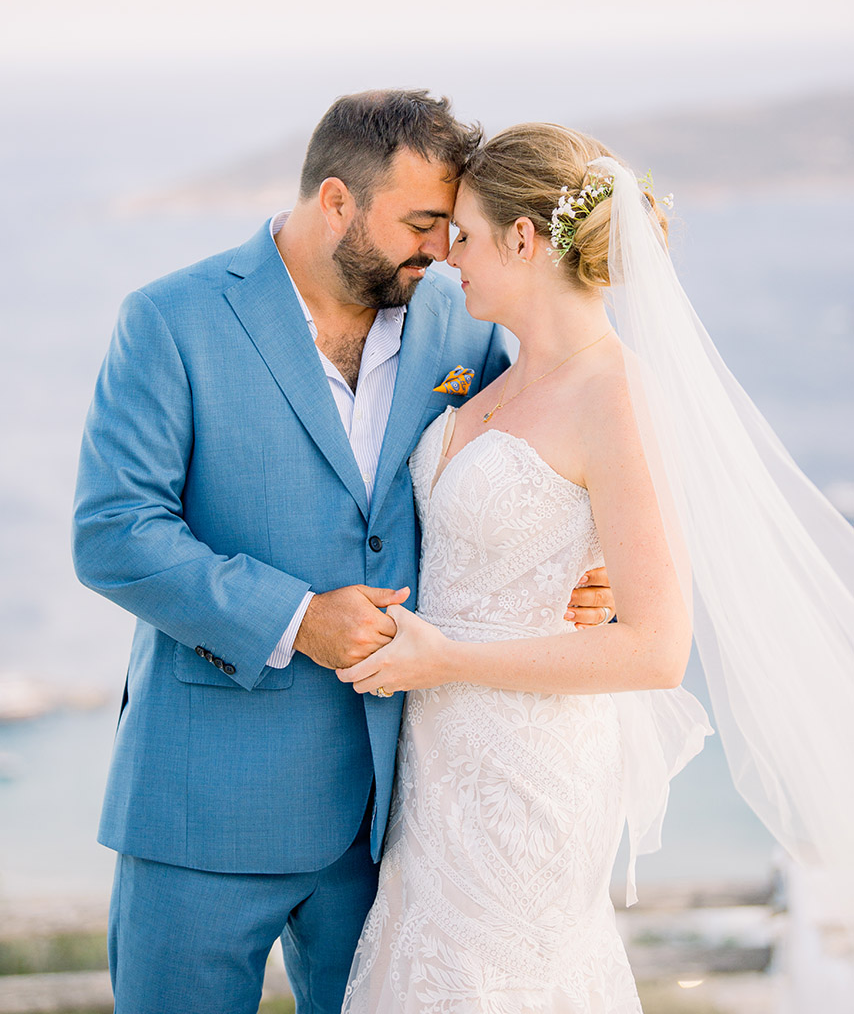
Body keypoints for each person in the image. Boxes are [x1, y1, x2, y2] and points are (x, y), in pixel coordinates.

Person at [72, 93, 615, 1014]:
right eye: (420, 223)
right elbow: (115, 530)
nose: (442, 249)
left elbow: (530, 467)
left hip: (396, 821)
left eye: (453, 226)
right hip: (205, 805)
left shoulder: (465, 330)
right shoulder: (172, 320)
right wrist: (296, 618)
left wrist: (580, 572)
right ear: (336, 201)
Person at [337, 122, 854, 1012]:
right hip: (436, 770)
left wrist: (446, 659)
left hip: (531, 775)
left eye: (464, 234)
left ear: (526, 239)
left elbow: (656, 649)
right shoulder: (491, 377)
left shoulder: (619, 395)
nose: (449, 257)